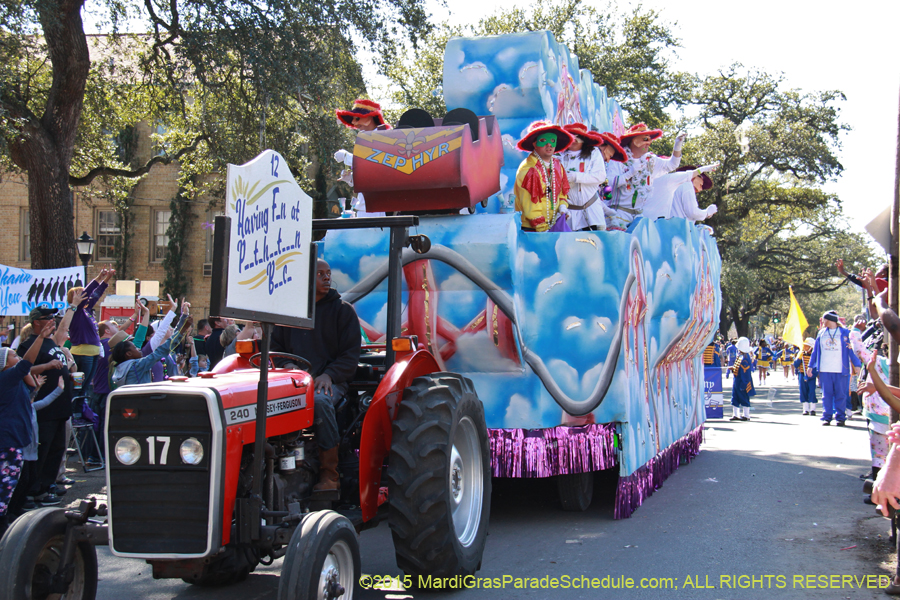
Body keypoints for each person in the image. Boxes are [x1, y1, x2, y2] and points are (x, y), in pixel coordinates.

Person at [270, 259, 361, 493]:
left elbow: (350, 355)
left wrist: (329, 375)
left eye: (328, 273)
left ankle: (330, 475)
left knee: (319, 401)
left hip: (330, 381)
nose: (327, 277)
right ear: (306, 279)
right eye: (320, 274)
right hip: (294, 380)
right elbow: (275, 347)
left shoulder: (343, 311)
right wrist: (288, 365)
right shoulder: (289, 313)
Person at [0, 322, 54, 536]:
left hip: (15, 439)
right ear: (4, 364)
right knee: (5, 486)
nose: (18, 357)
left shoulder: (15, 381)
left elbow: (27, 397)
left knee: (12, 484)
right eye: (13, 355)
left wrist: (34, 386)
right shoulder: (5, 378)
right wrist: (40, 338)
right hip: (8, 441)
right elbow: (27, 363)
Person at [605, 123, 684, 231]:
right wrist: (629, 174)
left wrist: (677, 145)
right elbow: (609, 183)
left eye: (650, 140)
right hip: (618, 215)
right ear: (634, 141)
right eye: (645, 139)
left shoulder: (650, 161)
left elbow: (672, 165)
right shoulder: (619, 160)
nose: (649, 143)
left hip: (638, 217)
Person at [110, 304, 193, 389]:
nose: (138, 349)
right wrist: (183, 328)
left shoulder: (119, 369)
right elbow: (162, 349)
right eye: (135, 348)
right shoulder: (137, 365)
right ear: (128, 354)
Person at [513, 121, 573, 232]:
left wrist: (562, 206)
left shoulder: (557, 165)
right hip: (532, 229)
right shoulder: (529, 169)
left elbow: (561, 192)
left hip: (551, 225)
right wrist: (543, 228)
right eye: (543, 141)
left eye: (552, 141)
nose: (549, 145)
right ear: (534, 144)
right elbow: (530, 204)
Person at [334, 98, 390, 217]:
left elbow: (373, 163)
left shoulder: (383, 137)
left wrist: (347, 157)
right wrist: (351, 179)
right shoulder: (366, 139)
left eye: (357, 118)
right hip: (366, 205)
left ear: (370, 118)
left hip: (377, 205)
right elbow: (370, 175)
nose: (354, 123)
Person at [559, 123, 619, 232]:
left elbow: (600, 177)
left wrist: (575, 176)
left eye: (577, 137)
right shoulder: (559, 155)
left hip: (592, 210)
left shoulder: (594, 152)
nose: (573, 140)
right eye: (570, 137)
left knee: (596, 241)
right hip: (569, 212)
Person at [807, 310, 861, 426]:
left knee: (841, 395)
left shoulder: (844, 332)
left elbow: (851, 350)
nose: (823, 321)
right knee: (826, 395)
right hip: (825, 369)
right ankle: (827, 417)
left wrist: (857, 364)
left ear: (830, 320)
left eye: (824, 319)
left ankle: (840, 417)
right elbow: (815, 351)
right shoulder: (821, 333)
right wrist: (810, 366)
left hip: (841, 369)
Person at [67, 267, 115, 397]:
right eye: (81, 294)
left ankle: (81, 407)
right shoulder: (75, 311)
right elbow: (89, 292)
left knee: (86, 386)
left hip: (93, 353)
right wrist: (98, 278)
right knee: (79, 387)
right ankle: (75, 408)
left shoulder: (86, 311)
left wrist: (107, 278)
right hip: (83, 354)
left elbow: (96, 294)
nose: (86, 296)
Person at [730, 337, 755, 421]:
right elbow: (738, 368)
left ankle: (746, 415)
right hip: (737, 380)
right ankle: (736, 414)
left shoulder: (745, 359)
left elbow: (746, 373)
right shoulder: (741, 356)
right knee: (735, 397)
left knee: (744, 397)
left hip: (742, 381)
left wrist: (744, 383)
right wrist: (733, 368)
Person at [794, 338, 817, 415]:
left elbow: (817, 367)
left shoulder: (814, 356)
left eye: (807, 346)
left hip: (811, 376)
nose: (805, 347)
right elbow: (796, 365)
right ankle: (805, 409)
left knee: (812, 392)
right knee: (803, 391)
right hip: (802, 374)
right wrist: (799, 358)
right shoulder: (801, 354)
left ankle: (813, 408)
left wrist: (812, 375)